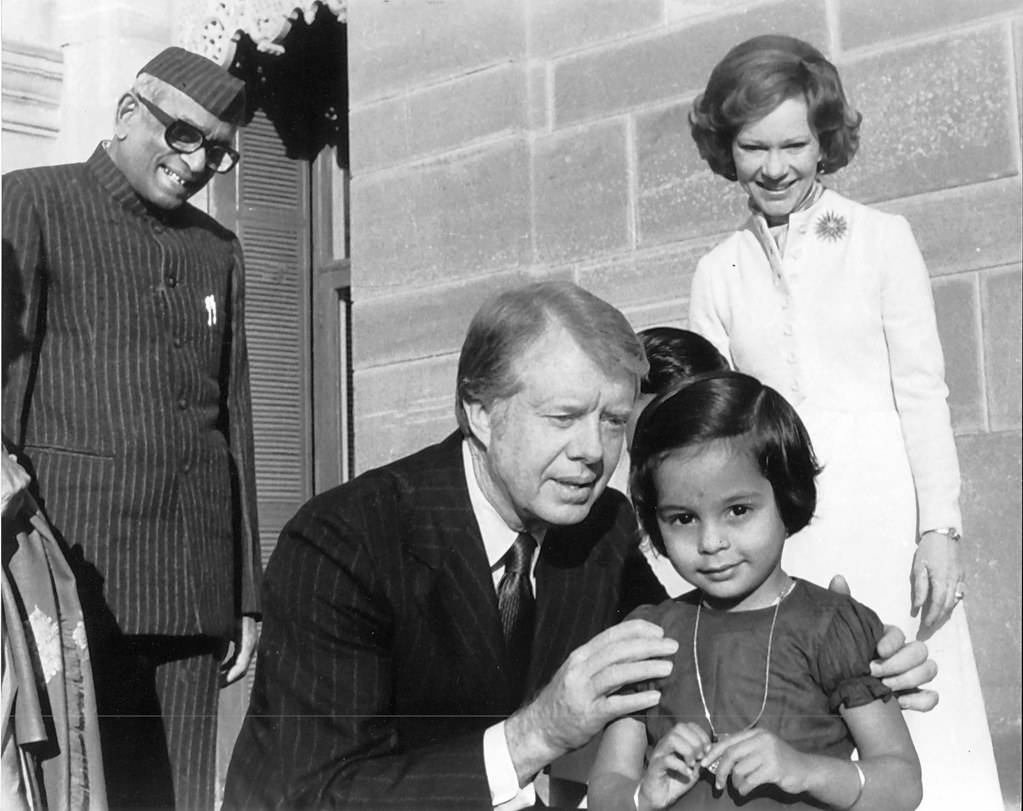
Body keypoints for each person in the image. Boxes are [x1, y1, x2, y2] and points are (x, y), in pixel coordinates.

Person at [224, 281, 934, 810]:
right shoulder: (344, 540)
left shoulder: (605, 525)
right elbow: (315, 793)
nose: (592, 452)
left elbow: (689, 643)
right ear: (478, 409)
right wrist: (537, 732)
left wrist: (856, 657)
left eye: (613, 421)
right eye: (563, 416)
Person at [686, 35, 1000, 807]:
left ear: (824, 141)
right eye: (751, 146)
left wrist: (940, 530)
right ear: (725, 150)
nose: (773, 166)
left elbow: (923, 391)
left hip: (888, 525)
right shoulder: (716, 273)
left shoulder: (880, 239)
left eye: (793, 143)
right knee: (813, 724)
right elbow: (714, 433)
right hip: (786, 529)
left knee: (916, 712)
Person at [2, 47, 261, 810]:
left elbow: (234, 421)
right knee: (84, 793)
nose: (199, 162)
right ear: (126, 114)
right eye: (184, 135)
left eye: (217, 148)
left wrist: (245, 592)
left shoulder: (220, 250)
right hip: (78, 584)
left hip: (192, 591)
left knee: (178, 798)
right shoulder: (32, 202)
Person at [589, 372, 921, 810]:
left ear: (788, 498)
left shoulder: (832, 627)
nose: (711, 542)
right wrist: (641, 795)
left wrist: (805, 770)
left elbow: (902, 784)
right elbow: (605, 792)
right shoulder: (649, 637)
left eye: (738, 511)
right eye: (683, 518)